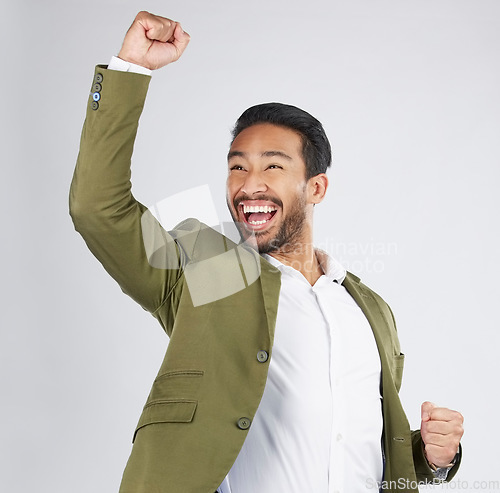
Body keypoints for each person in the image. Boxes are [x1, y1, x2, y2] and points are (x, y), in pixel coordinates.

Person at [69, 11, 464, 493]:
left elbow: (360, 446)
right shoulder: (208, 268)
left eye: (272, 166)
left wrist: (432, 457)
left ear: (316, 187)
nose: (248, 184)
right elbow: (97, 208)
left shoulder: (369, 309)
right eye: (237, 168)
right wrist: (131, 68)